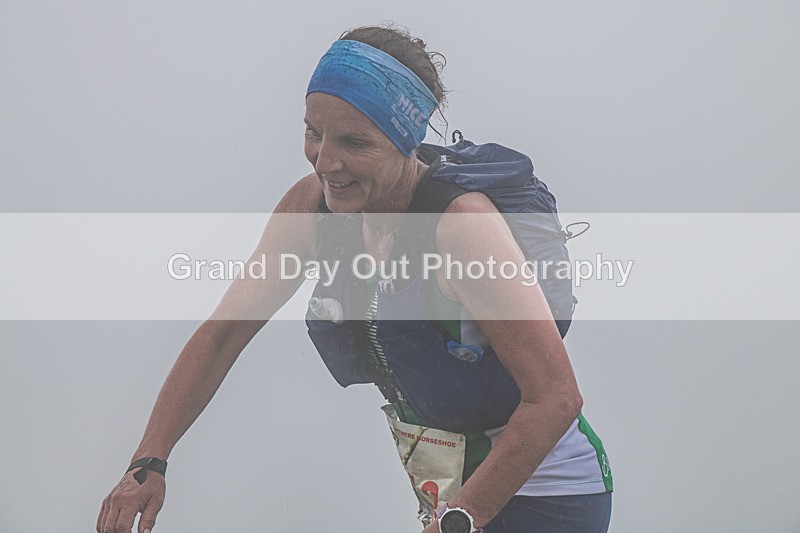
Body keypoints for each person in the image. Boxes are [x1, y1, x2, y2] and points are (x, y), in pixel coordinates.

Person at [97, 25, 613, 533]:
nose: (326, 161)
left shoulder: (462, 229)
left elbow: (556, 399)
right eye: (312, 133)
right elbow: (224, 332)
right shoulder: (311, 208)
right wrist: (149, 461)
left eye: (353, 142)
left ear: (405, 141)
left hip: (547, 495)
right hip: (453, 496)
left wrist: (457, 521)